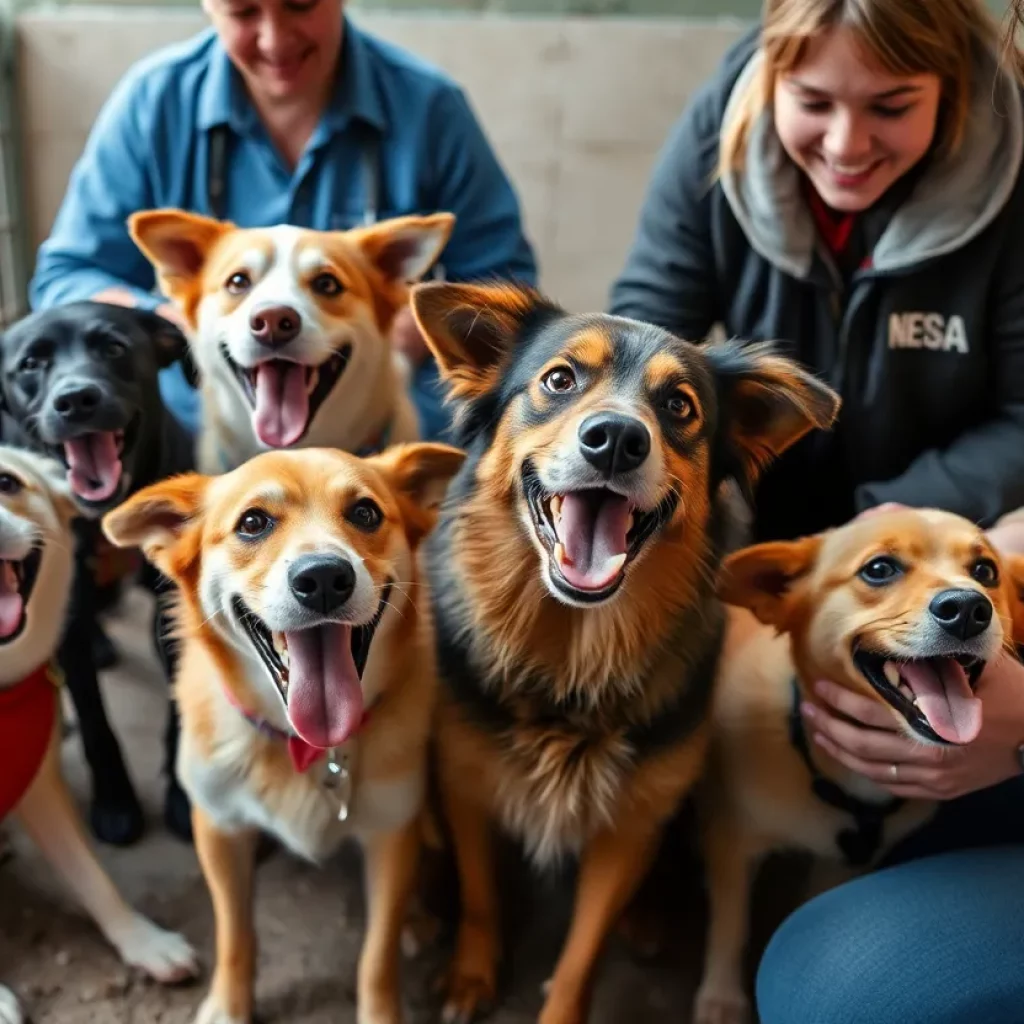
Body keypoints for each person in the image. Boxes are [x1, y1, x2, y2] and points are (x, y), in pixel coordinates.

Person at [608, 1, 1024, 1020]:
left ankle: (898, 872)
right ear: (770, 79)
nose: (844, 145)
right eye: (811, 104)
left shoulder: (1015, 182)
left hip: (939, 531)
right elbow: (645, 333)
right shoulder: (719, 125)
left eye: (891, 107)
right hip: (765, 514)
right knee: (635, 626)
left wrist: (880, 534)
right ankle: (659, 850)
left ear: (954, 87)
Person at [28, 0, 538, 444]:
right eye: (244, 12)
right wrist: (176, 322)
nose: (274, 39)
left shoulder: (429, 109)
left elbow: (509, 292)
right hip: (193, 444)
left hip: (387, 448)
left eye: (300, 4)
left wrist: (421, 326)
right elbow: (66, 279)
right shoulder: (153, 103)